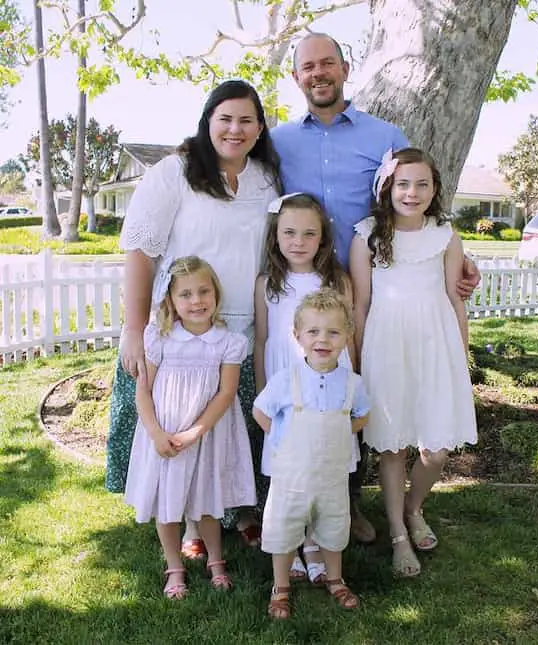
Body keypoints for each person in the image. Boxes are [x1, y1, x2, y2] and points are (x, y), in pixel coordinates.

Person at [271, 32, 480, 544]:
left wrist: (457, 255)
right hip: (306, 287)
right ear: (296, 76)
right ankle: (308, 505)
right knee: (312, 396)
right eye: (307, 67)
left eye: (327, 63)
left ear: (344, 68)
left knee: (363, 401)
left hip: (371, 287)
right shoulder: (276, 141)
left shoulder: (383, 134)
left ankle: (356, 507)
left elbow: (410, 198)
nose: (318, 73)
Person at [106, 79, 280, 556]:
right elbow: (141, 252)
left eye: (246, 120)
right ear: (207, 122)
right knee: (183, 419)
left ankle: (240, 509)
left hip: (242, 329)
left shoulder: (268, 178)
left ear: (260, 128)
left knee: (231, 430)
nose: (235, 129)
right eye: (224, 118)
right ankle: (186, 522)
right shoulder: (174, 172)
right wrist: (134, 329)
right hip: (181, 328)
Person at [349, 148, 478, 577]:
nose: (412, 192)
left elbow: (455, 301)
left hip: (436, 342)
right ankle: (399, 535)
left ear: (435, 188)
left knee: (436, 449)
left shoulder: (445, 234)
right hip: (386, 345)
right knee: (392, 445)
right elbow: (361, 306)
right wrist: (363, 361)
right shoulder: (367, 234)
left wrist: (461, 356)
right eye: (403, 184)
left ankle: (413, 506)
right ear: (388, 188)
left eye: (422, 184)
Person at [124, 256, 256, 598]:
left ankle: (216, 562)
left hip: (206, 433)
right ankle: (175, 568)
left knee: (206, 500)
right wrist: (155, 432)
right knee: (166, 502)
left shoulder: (228, 342)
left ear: (216, 295)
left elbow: (226, 393)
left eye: (203, 292)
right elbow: (144, 390)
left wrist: (196, 431)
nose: (196, 301)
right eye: (185, 294)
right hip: (165, 432)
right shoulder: (160, 339)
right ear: (171, 300)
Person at [254, 192, 357, 584]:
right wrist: (264, 389)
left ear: (323, 238)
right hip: (285, 380)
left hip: (330, 380)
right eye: (289, 232)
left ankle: (315, 541)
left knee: (324, 467)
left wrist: (353, 380)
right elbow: (263, 339)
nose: (298, 241)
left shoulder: (336, 280)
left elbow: (350, 335)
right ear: (276, 235)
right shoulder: (267, 283)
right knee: (290, 467)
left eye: (309, 233)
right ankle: (290, 540)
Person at [253, 288, 370, 619]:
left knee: (333, 526)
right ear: (298, 336)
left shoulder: (351, 383)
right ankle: (281, 587)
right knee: (284, 528)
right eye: (314, 332)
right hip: (292, 476)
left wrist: (336, 432)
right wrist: (282, 438)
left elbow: (362, 415)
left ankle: (335, 578)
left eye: (334, 332)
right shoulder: (286, 379)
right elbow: (261, 412)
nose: (323, 339)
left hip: (332, 476)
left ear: (347, 336)